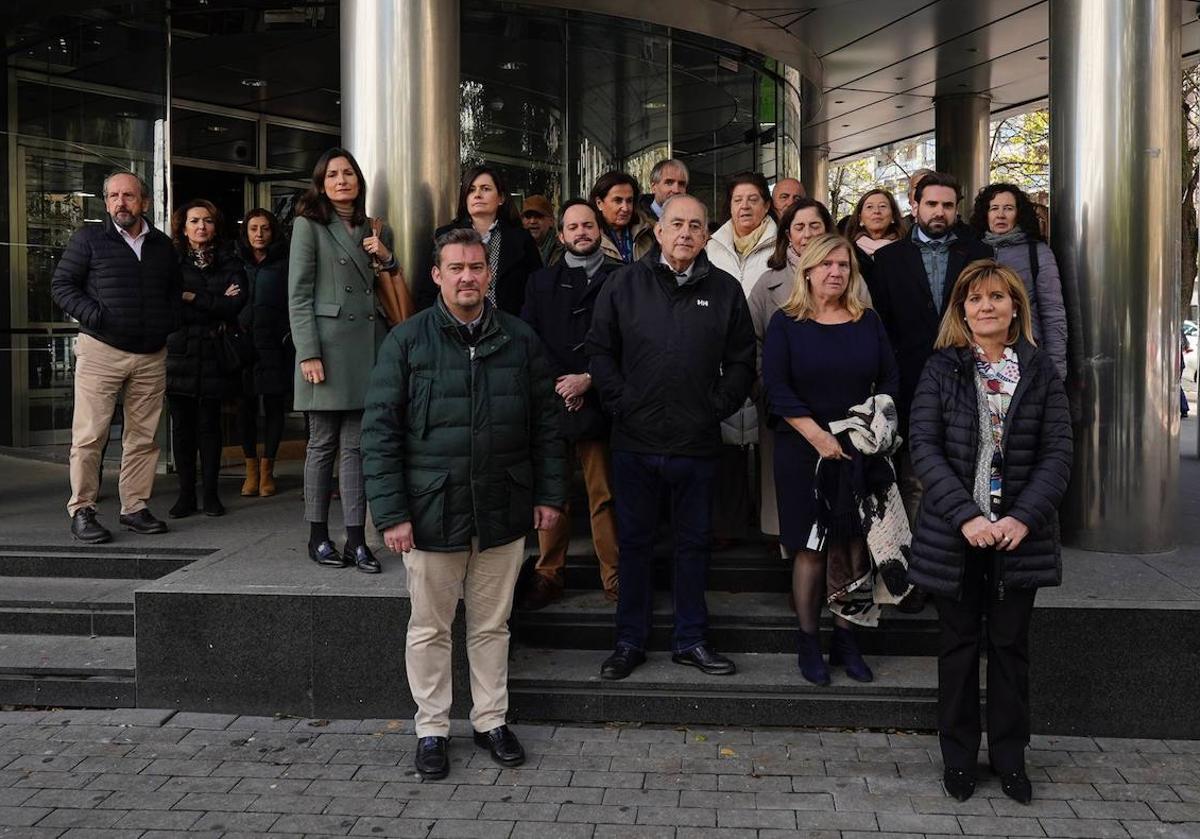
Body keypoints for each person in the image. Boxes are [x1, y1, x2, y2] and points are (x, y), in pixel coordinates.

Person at [361, 228, 567, 782]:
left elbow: (548, 427)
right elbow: (379, 435)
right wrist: (392, 514)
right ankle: (431, 728)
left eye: (476, 267)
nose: (468, 276)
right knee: (429, 627)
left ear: (489, 273)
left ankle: (490, 720)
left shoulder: (520, 340)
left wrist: (550, 495)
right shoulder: (406, 342)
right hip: (431, 512)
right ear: (437, 275)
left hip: (502, 506)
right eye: (456, 268)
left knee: (492, 625)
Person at [908, 260, 1072, 805]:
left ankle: (1009, 758)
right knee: (956, 648)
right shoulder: (941, 369)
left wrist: (1023, 518)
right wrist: (969, 518)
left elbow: (1058, 453)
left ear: (1015, 306)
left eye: (997, 297)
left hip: (1019, 536)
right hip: (958, 534)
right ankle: (958, 758)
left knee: (1009, 648)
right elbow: (924, 449)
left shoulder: (1040, 370)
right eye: (975, 299)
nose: (986, 307)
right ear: (961, 310)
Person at [587, 193, 755, 681]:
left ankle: (692, 639)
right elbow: (600, 352)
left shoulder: (724, 290)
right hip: (634, 443)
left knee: (693, 545)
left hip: (697, 445)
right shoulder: (624, 284)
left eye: (696, 226)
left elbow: (743, 361)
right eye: (676, 223)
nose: (685, 233)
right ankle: (628, 641)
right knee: (634, 545)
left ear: (707, 235)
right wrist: (621, 403)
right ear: (657, 232)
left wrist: (715, 408)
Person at [762, 233, 898, 685]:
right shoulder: (786, 322)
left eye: (844, 266)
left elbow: (890, 377)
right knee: (812, 547)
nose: (836, 273)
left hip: (858, 449)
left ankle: (846, 639)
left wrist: (873, 427)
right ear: (808, 271)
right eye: (827, 265)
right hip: (804, 450)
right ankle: (808, 641)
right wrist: (818, 436)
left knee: (855, 547)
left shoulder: (867, 321)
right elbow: (776, 388)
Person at [51, 171, 180, 542]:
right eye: (113, 196)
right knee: (90, 435)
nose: (121, 202)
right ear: (106, 201)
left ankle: (135, 507)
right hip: (101, 350)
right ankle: (83, 510)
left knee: (143, 438)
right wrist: (96, 316)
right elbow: (62, 285)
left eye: (129, 196)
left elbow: (174, 291)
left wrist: (166, 322)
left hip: (150, 354)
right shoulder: (90, 238)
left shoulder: (161, 245)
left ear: (144, 201)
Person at [289, 147, 392, 573]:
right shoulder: (308, 225)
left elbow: (386, 282)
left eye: (349, 173)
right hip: (327, 350)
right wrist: (308, 352)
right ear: (322, 182)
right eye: (333, 174)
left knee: (357, 449)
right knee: (322, 444)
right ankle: (317, 535)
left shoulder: (372, 227)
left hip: (365, 347)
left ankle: (356, 539)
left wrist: (386, 255)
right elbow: (298, 294)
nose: (342, 180)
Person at [867, 171, 993, 521]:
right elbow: (882, 323)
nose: (940, 212)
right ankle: (916, 560)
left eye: (948, 206)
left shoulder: (979, 253)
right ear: (914, 205)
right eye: (932, 204)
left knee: (968, 468)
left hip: (968, 377)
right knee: (915, 473)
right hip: (910, 379)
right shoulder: (889, 258)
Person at [518, 199, 623, 609]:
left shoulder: (623, 279)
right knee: (552, 494)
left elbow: (629, 339)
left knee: (605, 496)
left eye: (588, 225)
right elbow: (528, 339)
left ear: (600, 231)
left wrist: (590, 381)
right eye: (573, 227)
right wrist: (563, 386)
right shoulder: (540, 283)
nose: (582, 232)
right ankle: (548, 574)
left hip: (601, 402)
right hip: (554, 402)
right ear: (560, 235)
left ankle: (614, 577)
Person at [748, 198, 834, 539]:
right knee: (787, 492)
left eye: (815, 226)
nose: (807, 234)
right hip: (784, 408)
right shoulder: (766, 284)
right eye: (799, 227)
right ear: (787, 235)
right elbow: (749, 343)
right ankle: (787, 547)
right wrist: (763, 389)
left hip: (838, 404)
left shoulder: (850, 276)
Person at [705, 172, 779, 542]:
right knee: (728, 446)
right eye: (737, 200)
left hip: (769, 353)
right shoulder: (711, 246)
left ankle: (770, 529)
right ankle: (730, 527)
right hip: (724, 355)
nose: (745, 206)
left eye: (753, 199)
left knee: (769, 445)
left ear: (767, 205)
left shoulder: (781, 245)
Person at [165, 199, 247, 518]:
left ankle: (211, 495)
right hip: (180, 354)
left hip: (214, 354)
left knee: (210, 427)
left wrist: (192, 296)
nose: (202, 226)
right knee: (182, 429)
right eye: (195, 221)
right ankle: (186, 495)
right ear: (183, 228)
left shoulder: (230, 260)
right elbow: (169, 302)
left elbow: (235, 303)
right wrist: (213, 301)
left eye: (208, 221)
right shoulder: (171, 262)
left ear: (216, 227)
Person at [969, 183, 1068, 380]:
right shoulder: (971, 251)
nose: (1001, 215)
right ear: (985, 214)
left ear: (1018, 214)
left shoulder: (1037, 252)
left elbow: (1053, 312)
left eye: (1008, 208)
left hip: (1026, 355)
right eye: (994, 208)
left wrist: (1056, 370)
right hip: (978, 357)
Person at [414, 166, 542, 314]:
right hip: (454, 329)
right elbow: (426, 293)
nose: (477, 195)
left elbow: (537, 292)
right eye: (471, 190)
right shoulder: (444, 236)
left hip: (507, 330)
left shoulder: (521, 239)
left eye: (485, 189)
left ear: (501, 198)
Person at [236, 208, 291, 499]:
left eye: (265, 228)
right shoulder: (236, 263)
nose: (259, 234)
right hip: (244, 345)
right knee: (245, 408)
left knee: (273, 407)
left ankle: (268, 471)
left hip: (275, 344)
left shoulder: (284, 263)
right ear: (245, 233)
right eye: (253, 228)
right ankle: (251, 471)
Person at [590, 171, 655, 264]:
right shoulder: (589, 238)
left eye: (629, 201)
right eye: (618, 200)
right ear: (599, 203)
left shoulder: (648, 232)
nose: (625, 208)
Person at [845, 188, 903, 278]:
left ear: (893, 216)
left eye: (883, 206)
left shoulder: (906, 249)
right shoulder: (849, 251)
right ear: (860, 219)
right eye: (869, 207)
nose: (876, 211)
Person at [521, 194, 559, 266]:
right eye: (528, 216)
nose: (532, 221)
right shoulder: (516, 249)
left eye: (538, 216)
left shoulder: (562, 252)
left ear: (551, 221)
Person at [900, 167, 935, 233]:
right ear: (909, 196)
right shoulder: (897, 229)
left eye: (927, 186)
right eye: (917, 187)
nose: (922, 192)